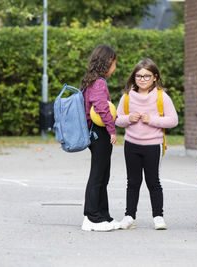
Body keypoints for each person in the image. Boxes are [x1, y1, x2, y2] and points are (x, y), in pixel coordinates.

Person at [115, 58, 178, 230]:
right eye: (139, 76)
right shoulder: (127, 97)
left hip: (153, 146)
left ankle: (158, 217)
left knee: (153, 181)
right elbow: (118, 119)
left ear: (155, 77)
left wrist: (152, 120)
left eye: (147, 76)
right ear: (134, 78)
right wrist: (129, 118)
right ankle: (129, 217)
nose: (142, 79)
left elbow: (173, 120)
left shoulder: (161, 97)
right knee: (133, 182)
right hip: (131, 145)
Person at [80, 45, 119, 232]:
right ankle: (91, 217)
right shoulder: (99, 83)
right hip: (100, 133)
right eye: (114, 63)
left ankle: (104, 216)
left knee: (103, 175)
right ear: (106, 63)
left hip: (97, 132)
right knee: (98, 175)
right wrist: (112, 130)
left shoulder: (92, 81)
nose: (115, 67)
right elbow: (102, 108)